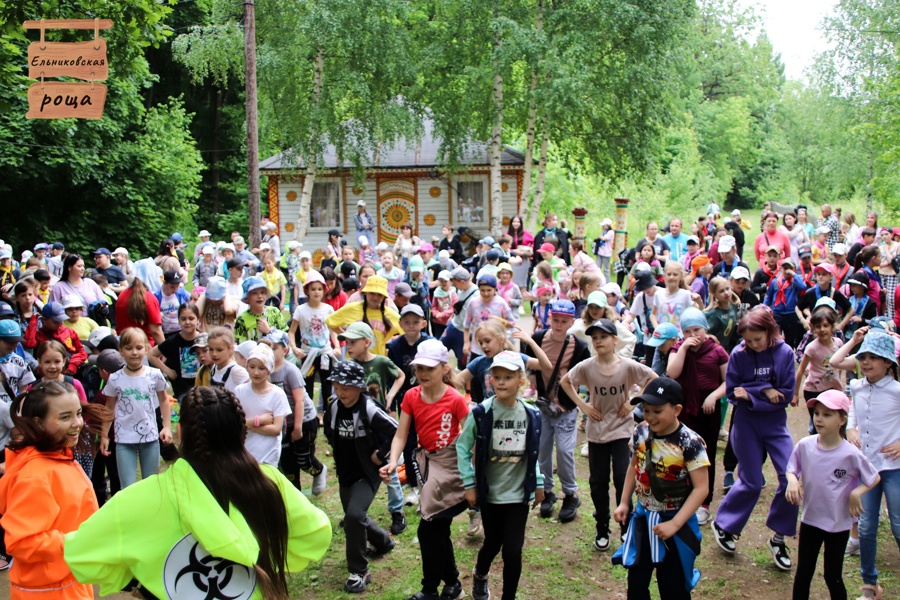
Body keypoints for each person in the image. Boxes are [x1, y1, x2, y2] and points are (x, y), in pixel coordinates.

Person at [65, 385, 332, 599]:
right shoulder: (269, 480)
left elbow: (80, 554)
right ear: (242, 431)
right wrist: (271, 559)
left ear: (181, 432)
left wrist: (136, 578)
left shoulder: (139, 497)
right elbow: (316, 533)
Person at [379, 339, 470, 600]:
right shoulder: (411, 396)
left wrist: (471, 472)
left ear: (444, 369)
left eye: (429, 368)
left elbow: (472, 434)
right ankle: (451, 584)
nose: (423, 374)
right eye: (419, 368)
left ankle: (430, 589)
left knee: (429, 528)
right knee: (437, 529)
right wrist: (393, 461)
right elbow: (401, 434)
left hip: (450, 467)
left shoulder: (454, 398)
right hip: (426, 465)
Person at [0, 381, 107, 600]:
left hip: (67, 579)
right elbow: (22, 542)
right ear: (39, 423)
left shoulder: (59, 457)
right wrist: (79, 539)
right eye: (65, 417)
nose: (77, 423)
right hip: (48, 590)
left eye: (78, 413)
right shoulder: (35, 474)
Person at [711, 308, 798, 572]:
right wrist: (763, 389)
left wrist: (755, 393)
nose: (752, 345)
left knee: (790, 477)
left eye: (757, 339)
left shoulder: (786, 354)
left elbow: (786, 394)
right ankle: (725, 525)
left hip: (775, 425)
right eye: (748, 340)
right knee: (750, 481)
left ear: (770, 332)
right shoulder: (739, 354)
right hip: (746, 424)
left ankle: (779, 537)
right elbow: (734, 392)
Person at [560, 318, 656, 550]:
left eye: (604, 337)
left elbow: (652, 377)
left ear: (615, 340)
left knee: (623, 479)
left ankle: (626, 527)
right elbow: (565, 381)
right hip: (596, 433)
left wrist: (634, 402)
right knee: (598, 482)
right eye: (594, 337)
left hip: (622, 431)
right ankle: (602, 526)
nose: (599, 341)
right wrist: (583, 406)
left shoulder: (627, 365)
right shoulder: (587, 366)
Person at [611, 377, 709, 600]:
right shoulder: (641, 433)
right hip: (643, 520)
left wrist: (675, 523)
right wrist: (625, 501)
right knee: (635, 583)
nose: (650, 417)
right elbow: (633, 466)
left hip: (675, 524)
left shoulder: (690, 442)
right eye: (646, 410)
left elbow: (701, 489)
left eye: (657, 410)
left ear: (676, 409)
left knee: (673, 586)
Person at [456, 351, 543, 600]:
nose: (502, 382)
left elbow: (532, 453)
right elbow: (462, 447)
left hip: (518, 494)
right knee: (493, 543)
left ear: (521, 381)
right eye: (497, 377)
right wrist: (469, 483)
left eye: (508, 377)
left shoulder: (531, 415)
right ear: (490, 380)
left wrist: (538, 483)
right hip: (491, 492)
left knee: (513, 551)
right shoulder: (481, 413)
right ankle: (481, 574)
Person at [786, 389, 880, 600]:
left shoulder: (851, 453)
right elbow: (791, 468)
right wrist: (792, 481)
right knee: (803, 574)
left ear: (842, 420)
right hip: (811, 520)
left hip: (838, 525)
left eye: (827, 414)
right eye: (817, 413)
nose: (819, 418)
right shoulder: (805, 445)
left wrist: (857, 492)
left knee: (832, 576)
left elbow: (873, 478)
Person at [828, 329, 900, 599]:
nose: (866, 362)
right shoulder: (857, 385)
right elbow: (836, 363)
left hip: (893, 469)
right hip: (868, 468)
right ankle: (870, 584)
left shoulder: (896, 391)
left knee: (898, 525)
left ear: (888, 363)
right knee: (866, 527)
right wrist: (852, 429)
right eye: (863, 357)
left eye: (873, 357)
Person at [322, 360, 398, 593]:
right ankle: (383, 542)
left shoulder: (369, 408)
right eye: (337, 386)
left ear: (359, 387)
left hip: (367, 474)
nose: (340, 392)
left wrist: (381, 454)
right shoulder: (334, 406)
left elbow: (396, 430)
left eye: (346, 387)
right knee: (354, 516)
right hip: (346, 473)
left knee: (354, 517)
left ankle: (359, 571)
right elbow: (328, 430)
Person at [524, 300, 590, 523]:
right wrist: (533, 383)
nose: (559, 325)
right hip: (543, 405)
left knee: (564, 450)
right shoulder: (539, 338)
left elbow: (584, 372)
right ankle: (547, 491)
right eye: (556, 320)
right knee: (542, 450)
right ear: (549, 318)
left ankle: (570, 493)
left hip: (566, 407)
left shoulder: (579, 346)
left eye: (564, 321)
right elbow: (529, 362)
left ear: (572, 322)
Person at [664, 308, 728, 526]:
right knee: (681, 453)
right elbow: (672, 373)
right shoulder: (677, 347)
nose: (693, 335)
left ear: (705, 329)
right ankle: (683, 496)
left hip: (708, 409)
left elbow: (729, 381)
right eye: (688, 331)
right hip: (684, 408)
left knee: (706, 454)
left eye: (697, 330)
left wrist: (714, 396)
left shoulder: (717, 350)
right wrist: (683, 348)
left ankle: (704, 503)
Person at [99, 328, 173, 488]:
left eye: (139, 348)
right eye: (128, 348)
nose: (134, 353)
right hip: (124, 440)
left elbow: (164, 400)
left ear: (146, 349)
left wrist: (166, 427)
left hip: (150, 438)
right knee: (128, 486)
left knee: (151, 485)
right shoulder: (115, 378)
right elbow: (109, 407)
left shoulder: (154, 375)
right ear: (121, 351)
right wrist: (104, 435)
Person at [289, 269, 340, 413]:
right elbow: (291, 332)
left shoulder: (328, 309)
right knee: (308, 386)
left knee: (327, 386)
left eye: (319, 289)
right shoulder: (300, 310)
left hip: (325, 353)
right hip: (307, 354)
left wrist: (336, 346)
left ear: (324, 290)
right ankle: (309, 415)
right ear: (307, 290)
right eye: (313, 289)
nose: (316, 292)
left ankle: (328, 415)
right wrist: (294, 347)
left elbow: (332, 330)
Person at [326, 275, 403, 356]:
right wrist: (347, 336)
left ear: (384, 296)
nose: (375, 297)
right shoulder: (352, 308)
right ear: (365, 292)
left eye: (379, 294)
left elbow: (406, 333)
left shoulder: (391, 315)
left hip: (377, 363)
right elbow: (330, 321)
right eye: (372, 293)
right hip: (353, 362)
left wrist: (390, 341)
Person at [149, 302, 201, 398]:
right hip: (182, 390)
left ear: (198, 319)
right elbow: (151, 354)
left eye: (191, 318)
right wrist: (168, 371)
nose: (187, 322)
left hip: (202, 388)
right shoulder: (173, 341)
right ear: (178, 320)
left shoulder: (204, 339)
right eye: (183, 319)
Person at [764, 258, 806, 349]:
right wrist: (764, 308)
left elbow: (803, 287)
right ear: (781, 269)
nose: (787, 270)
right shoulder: (775, 282)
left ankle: (789, 354)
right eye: (785, 268)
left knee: (790, 338)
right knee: (776, 337)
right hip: (777, 314)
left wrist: (793, 274)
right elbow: (768, 297)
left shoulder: (795, 282)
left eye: (789, 268)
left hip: (790, 314)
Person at [235, 276, 289, 343]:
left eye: (262, 292)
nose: (260, 296)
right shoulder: (242, 319)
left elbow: (287, 338)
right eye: (254, 293)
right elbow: (240, 346)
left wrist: (269, 331)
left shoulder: (274, 312)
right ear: (247, 298)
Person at [115, 273, 164, 345]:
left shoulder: (122, 295)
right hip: (144, 347)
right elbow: (155, 331)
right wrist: (165, 351)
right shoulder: (149, 297)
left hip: (125, 344)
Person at [208, 326, 251, 394]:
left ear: (230, 349)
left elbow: (252, 391)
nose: (214, 354)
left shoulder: (236, 371)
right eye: (211, 349)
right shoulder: (214, 367)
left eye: (219, 350)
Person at [155, 270, 191, 337]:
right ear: (164, 282)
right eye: (172, 287)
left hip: (181, 330)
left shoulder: (181, 293)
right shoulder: (157, 297)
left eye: (177, 286)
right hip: (166, 332)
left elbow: (192, 299)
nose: (175, 289)